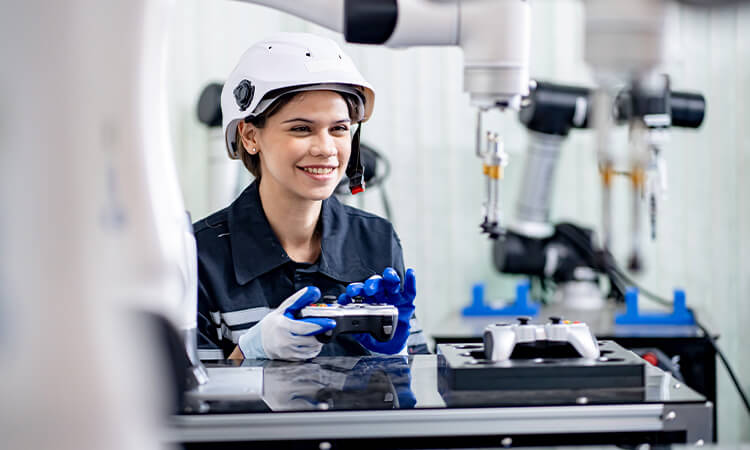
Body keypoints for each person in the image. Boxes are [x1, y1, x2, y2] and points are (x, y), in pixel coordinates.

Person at [194, 32, 429, 360]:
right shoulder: (199, 256)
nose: (326, 148)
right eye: (301, 129)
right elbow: (183, 400)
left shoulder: (375, 240)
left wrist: (394, 351)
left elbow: (414, 388)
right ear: (250, 136)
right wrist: (248, 352)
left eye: (339, 128)